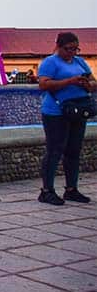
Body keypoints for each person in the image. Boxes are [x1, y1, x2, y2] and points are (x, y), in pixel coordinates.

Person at [36, 32, 96, 205]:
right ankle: (47, 190)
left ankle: (71, 189)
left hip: (78, 111)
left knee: (73, 150)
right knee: (55, 150)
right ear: (59, 47)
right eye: (68, 49)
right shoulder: (50, 62)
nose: (72, 52)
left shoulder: (80, 62)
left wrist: (87, 84)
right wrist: (69, 81)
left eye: (75, 49)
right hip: (56, 112)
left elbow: (93, 82)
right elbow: (44, 84)